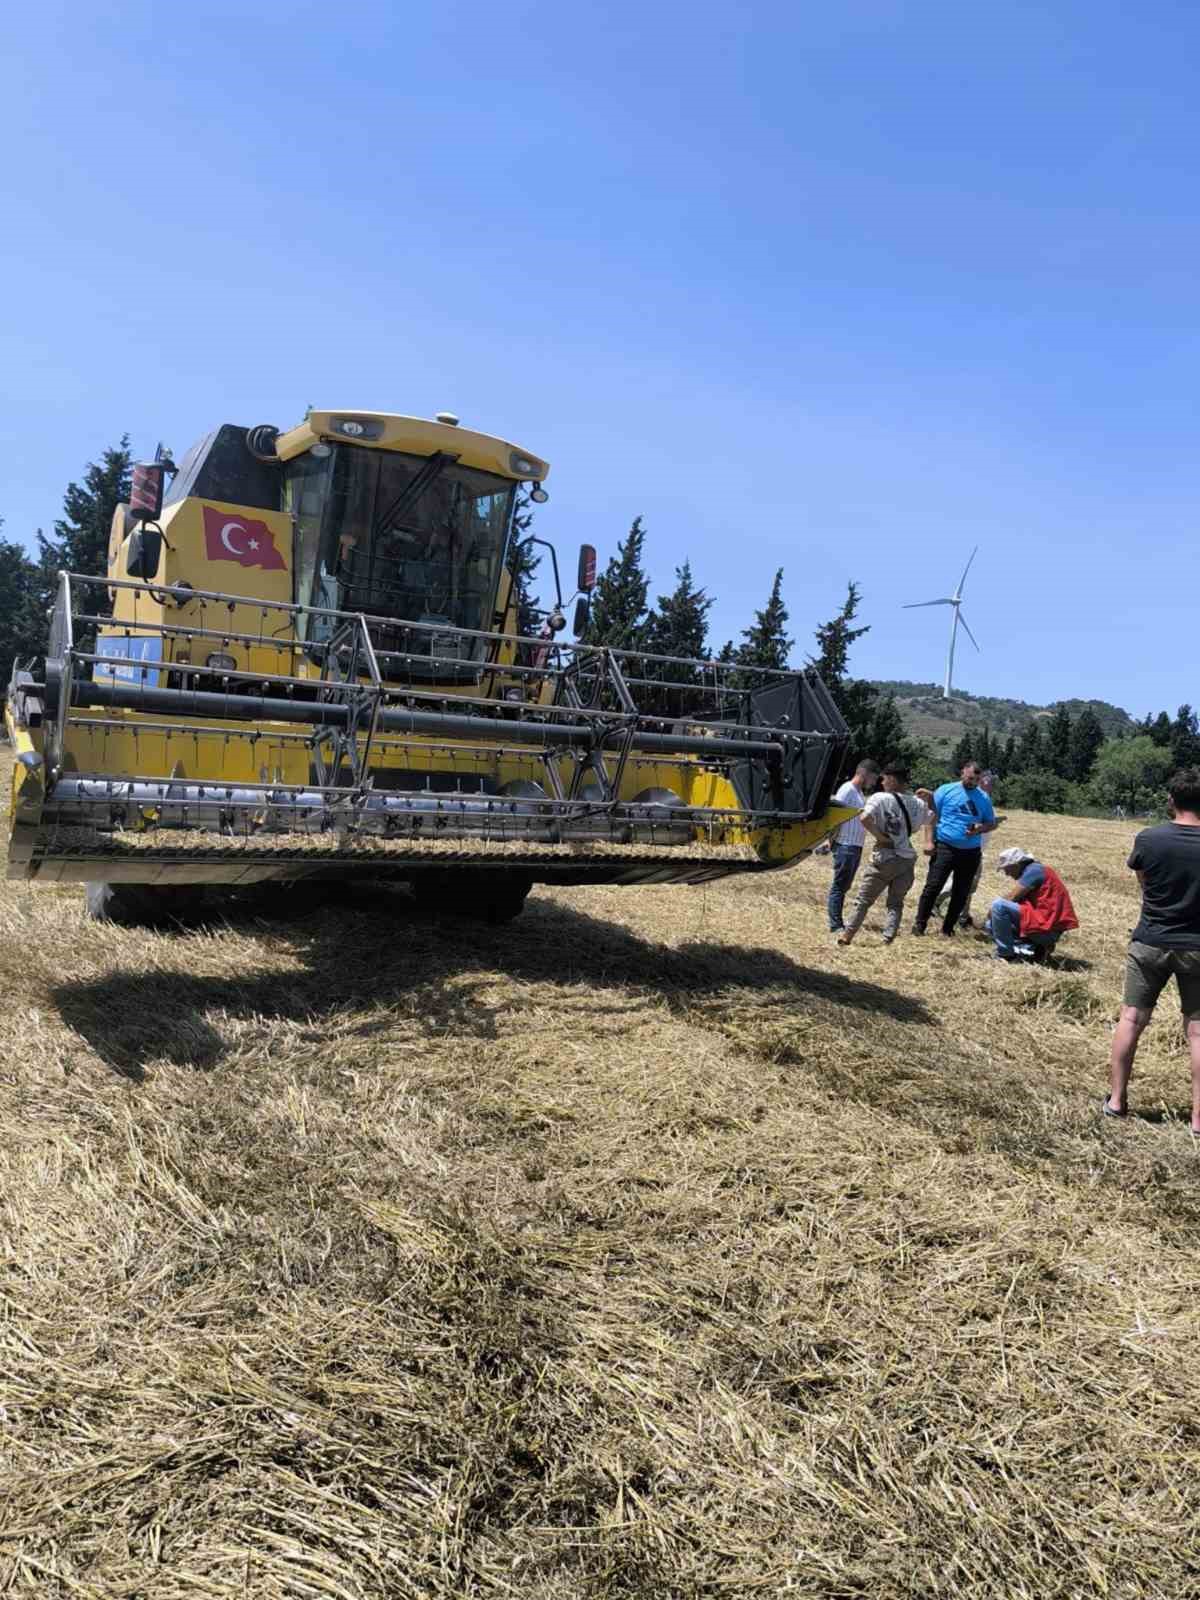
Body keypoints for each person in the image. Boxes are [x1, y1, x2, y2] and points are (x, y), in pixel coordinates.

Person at [1104, 768, 1200, 1136]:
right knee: (1197, 1032)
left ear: (1171, 800)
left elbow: (1145, 887)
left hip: (1150, 941)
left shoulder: (1149, 838)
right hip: (1197, 947)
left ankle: (1116, 1102)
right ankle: (1198, 1119)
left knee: (1131, 1019)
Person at [837, 764, 932, 946]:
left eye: (884, 778)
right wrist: (931, 799)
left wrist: (880, 837)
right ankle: (888, 938)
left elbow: (864, 817)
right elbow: (932, 817)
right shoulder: (918, 803)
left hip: (884, 856)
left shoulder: (879, 798)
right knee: (895, 903)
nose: (881, 782)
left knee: (864, 900)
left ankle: (847, 936)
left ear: (892, 779)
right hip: (906, 859)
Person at [912, 760, 1000, 937]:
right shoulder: (946, 790)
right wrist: (928, 841)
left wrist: (979, 828)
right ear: (962, 773)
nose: (972, 783)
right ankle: (919, 926)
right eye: (970, 778)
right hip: (945, 847)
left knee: (961, 892)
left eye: (976, 780)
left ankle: (947, 929)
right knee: (933, 887)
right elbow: (932, 816)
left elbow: (991, 823)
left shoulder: (983, 798)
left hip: (970, 852)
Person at [986, 846, 1078, 961]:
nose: (1007, 874)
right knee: (990, 925)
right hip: (1044, 925)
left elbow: (1012, 897)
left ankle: (1006, 954)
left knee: (998, 906)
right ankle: (1034, 948)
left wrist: (990, 912)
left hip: (1046, 929)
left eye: (1007, 869)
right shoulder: (1035, 869)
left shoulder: (1034, 871)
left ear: (1016, 865)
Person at [934, 770, 999, 928]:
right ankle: (937, 903)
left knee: (969, 886)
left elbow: (987, 822)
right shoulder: (974, 797)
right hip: (967, 847)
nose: (990, 786)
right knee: (965, 884)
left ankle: (963, 915)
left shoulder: (984, 799)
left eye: (991, 784)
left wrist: (993, 823)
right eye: (988, 783)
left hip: (976, 849)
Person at [825, 761, 880, 933]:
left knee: (844, 886)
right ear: (865, 773)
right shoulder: (847, 789)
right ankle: (835, 925)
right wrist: (828, 841)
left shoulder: (858, 793)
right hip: (845, 845)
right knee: (839, 886)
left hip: (854, 846)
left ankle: (837, 922)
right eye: (873, 778)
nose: (874, 782)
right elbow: (834, 816)